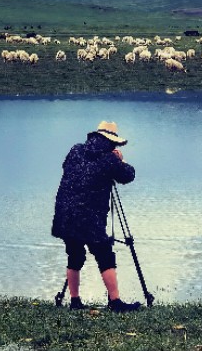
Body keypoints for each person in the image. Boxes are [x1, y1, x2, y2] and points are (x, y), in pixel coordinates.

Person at [52, 120, 141, 312]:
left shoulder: (75, 150)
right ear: (111, 142)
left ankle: (75, 301)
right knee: (105, 255)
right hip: (89, 215)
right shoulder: (109, 159)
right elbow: (128, 175)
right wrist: (120, 160)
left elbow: (67, 167)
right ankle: (115, 302)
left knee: (74, 255)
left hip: (65, 212)